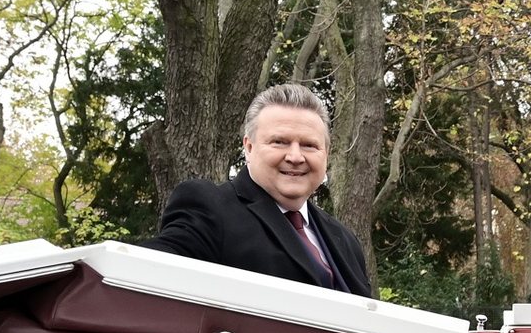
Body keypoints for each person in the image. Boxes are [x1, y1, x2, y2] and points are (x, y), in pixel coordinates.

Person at [140, 82, 373, 295]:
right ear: (249, 148)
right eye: (279, 142)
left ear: (326, 155)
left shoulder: (345, 239)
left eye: (309, 145)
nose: (295, 156)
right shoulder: (210, 208)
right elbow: (149, 270)